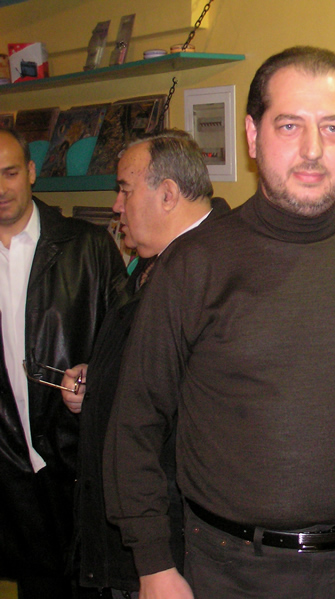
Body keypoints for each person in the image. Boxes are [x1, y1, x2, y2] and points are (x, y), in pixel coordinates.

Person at [103, 46, 335, 599]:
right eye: (290, 125)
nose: (312, 149)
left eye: (332, 127)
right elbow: (136, 421)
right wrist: (154, 564)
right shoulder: (193, 264)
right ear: (253, 136)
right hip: (232, 571)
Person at [59, 131, 230, 598]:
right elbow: (153, 372)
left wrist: (156, 561)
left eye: (125, 190)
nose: (116, 206)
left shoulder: (217, 269)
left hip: (176, 548)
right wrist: (99, 379)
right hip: (132, 538)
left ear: (168, 194)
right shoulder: (155, 259)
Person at [0, 126, 126, 597]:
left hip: (79, 464)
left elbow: (128, 345)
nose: (0, 188)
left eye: (10, 173)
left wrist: (96, 376)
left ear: (32, 171)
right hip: (10, 472)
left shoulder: (88, 247)